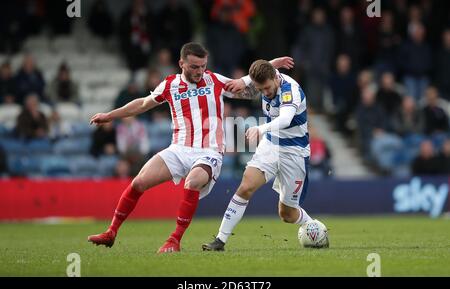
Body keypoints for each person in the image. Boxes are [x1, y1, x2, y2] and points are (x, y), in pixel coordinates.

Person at [87, 42, 293, 253]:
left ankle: (174, 240)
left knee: (192, 182)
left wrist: (271, 65)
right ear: (181, 63)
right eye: (194, 67)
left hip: (209, 152)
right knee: (139, 182)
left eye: (203, 66)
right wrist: (109, 115)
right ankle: (111, 232)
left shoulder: (214, 80)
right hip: (178, 149)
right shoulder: (169, 85)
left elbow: (246, 87)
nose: (200, 71)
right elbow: (142, 104)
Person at [202, 59, 326, 251]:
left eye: (267, 88)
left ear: (275, 77)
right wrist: (244, 81)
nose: (265, 92)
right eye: (261, 90)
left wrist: (260, 128)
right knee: (246, 186)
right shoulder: (265, 78)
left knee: (287, 213)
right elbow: (264, 66)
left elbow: (285, 119)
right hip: (270, 145)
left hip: (294, 152)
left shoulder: (290, 89)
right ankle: (220, 240)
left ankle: (314, 228)